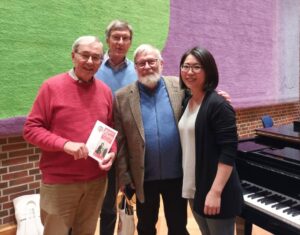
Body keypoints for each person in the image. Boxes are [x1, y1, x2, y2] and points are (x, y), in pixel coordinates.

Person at [23, 36, 116, 235]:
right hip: (60, 184)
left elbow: (110, 130)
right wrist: (64, 144)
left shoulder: (106, 92)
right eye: (85, 55)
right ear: (73, 56)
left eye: (96, 57)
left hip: (96, 182)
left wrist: (111, 153)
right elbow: (31, 129)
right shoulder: (51, 87)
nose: (90, 62)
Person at [114, 44, 189, 235]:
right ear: (135, 67)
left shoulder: (180, 87)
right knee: (146, 227)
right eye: (141, 63)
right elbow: (120, 141)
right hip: (143, 177)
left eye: (151, 61)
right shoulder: (122, 97)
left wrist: (219, 96)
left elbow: (202, 100)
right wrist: (123, 175)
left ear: (161, 63)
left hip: (177, 175)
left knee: (178, 226)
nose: (147, 66)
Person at [178, 46, 244, 235]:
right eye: (185, 66)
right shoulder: (187, 101)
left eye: (196, 67)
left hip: (215, 190)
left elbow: (229, 152)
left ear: (208, 70)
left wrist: (215, 192)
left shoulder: (218, 105)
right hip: (194, 187)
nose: (189, 72)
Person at [95, 19, 137, 235]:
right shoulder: (93, 66)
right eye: (116, 37)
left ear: (130, 42)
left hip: (126, 142)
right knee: (91, 196)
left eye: (125, 38)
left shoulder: (137, 71)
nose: (120, 42)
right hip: (99, 140)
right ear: (107, 39)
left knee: (114, 199)